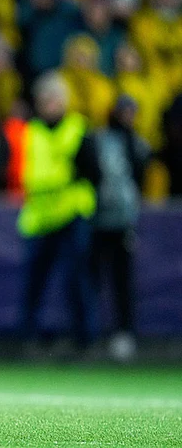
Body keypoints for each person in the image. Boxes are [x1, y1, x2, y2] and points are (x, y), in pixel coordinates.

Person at [17, 71, 101, 356]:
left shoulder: (78, 129)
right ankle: (27, 338)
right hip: (40, 215)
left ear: (64, 100)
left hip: (71, 213)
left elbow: (95, 172)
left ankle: (84, 340)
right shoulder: (31, 131)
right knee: (34, 281)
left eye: (53, 99)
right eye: (44, 99)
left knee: (75, 279)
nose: (48, 104)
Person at [91, 95, 149, 362]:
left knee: (122, 281)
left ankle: (123, 333)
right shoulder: (99, 139)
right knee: (91, 279)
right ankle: (91, 333)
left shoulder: (136, 143)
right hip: (97, 219)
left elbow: (140, 178)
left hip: (123, 221)